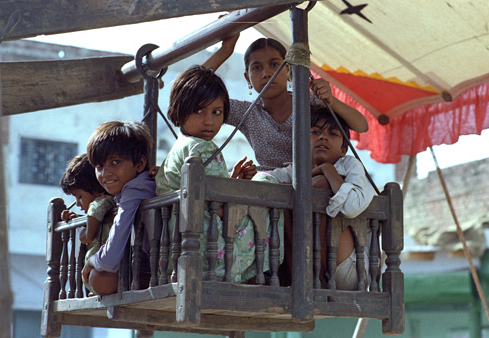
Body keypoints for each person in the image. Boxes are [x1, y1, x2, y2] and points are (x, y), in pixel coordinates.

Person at [155, 65, 283, 283]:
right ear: (179, 109)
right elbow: (221, 210)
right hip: (212, 253)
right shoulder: (203, 148)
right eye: (199, 111)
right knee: (266, 182)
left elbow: (207, 200)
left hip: (180, 252)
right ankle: (270, 269)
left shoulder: (178, 149)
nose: (209, 121)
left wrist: (232, 183)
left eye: (216, 112)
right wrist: (240, 190)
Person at [203, 35, 369, 171]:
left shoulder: (309, 101)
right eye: (257, 68)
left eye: (274, 64)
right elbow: (191, 92)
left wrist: (330, 100)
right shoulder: (247, 113)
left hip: (314, 187)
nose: (266, 73)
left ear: (288, 70)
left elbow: (362, 126)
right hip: (271, 194)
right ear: (247, 78)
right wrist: (225, 50)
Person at [268, 106, 375, 290]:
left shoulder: (350, 164)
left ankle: (310, 277)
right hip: (306, 265)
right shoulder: (295, 170)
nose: (323, 137)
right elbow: (266, 180)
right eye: (315, 131)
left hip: (351, 269)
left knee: (321, 185)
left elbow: (351, 207)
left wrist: (328, 170)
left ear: (343, 150)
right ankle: (296, 276)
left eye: (333, 134)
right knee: (285, 191)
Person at [82, 120, 156, 295]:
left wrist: (93, 260)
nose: (105, 173)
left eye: (115, 162)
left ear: (140, 163)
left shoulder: (134, 189)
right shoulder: (136, 185)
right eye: (99, 166)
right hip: (153, 261)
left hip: (162, 266)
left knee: (99, 279)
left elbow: (110, 258)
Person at [60, 153, 116, 295]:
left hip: (105, 274)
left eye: (79, 196)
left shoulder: (101, 202)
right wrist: (81, 218)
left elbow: (88, 236)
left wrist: (84, 232)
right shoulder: (102, 208)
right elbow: (96, 219)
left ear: (97, 189)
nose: (78, 203)